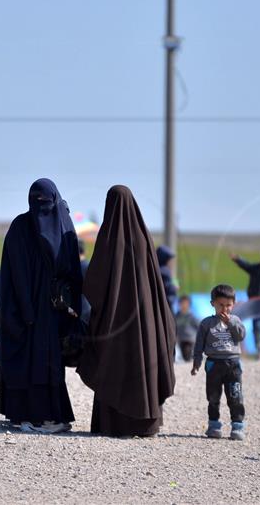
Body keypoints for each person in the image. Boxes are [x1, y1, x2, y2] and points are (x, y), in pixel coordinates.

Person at [77, 185, 176, 437]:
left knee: (114, 361)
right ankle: (144, 424)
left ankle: (114, 424)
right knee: (143, 358)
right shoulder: (143, 239)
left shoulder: (109, 239)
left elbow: (94, 284)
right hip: (146, 320)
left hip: (115, 320)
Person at [0, 178, 82, 434]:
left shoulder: (56, 226)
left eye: (46, 203)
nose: (41, 209)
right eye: (36, 202)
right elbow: (13, 273)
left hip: (47, 311)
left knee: (45, 362)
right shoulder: (23, 227)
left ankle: (48, 415)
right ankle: (25, 414)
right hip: (25, 311)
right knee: (30, 361)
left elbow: (73, 271)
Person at [191, 284, 247, 440]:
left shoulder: (236, 320)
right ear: (213, 304)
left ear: (233, 304)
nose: (225, 309)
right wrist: (197, 362)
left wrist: (230, 323)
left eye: (228, 305)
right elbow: (199, 344)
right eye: (221, 305)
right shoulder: (206, 323)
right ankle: (214, 425)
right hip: (214, 364)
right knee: (213, 397)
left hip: (233, 364)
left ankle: (237, 426)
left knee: (235, 396)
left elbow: (241, 336)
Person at [175, 295, 199, 362]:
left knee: (188, 352)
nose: (184, 305)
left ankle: (192, 359)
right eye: (182, 303)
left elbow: (198, 326)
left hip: (190, 339)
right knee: (184, 355)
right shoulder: (177, 316)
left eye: (186, 303)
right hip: (181, 339)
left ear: (189, 305)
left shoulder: (191, 316)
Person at [157, 245, 178, 311]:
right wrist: (174, 287)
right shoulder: (165, 271)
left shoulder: (155, 268)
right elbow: (168, 290)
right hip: (164, 306)